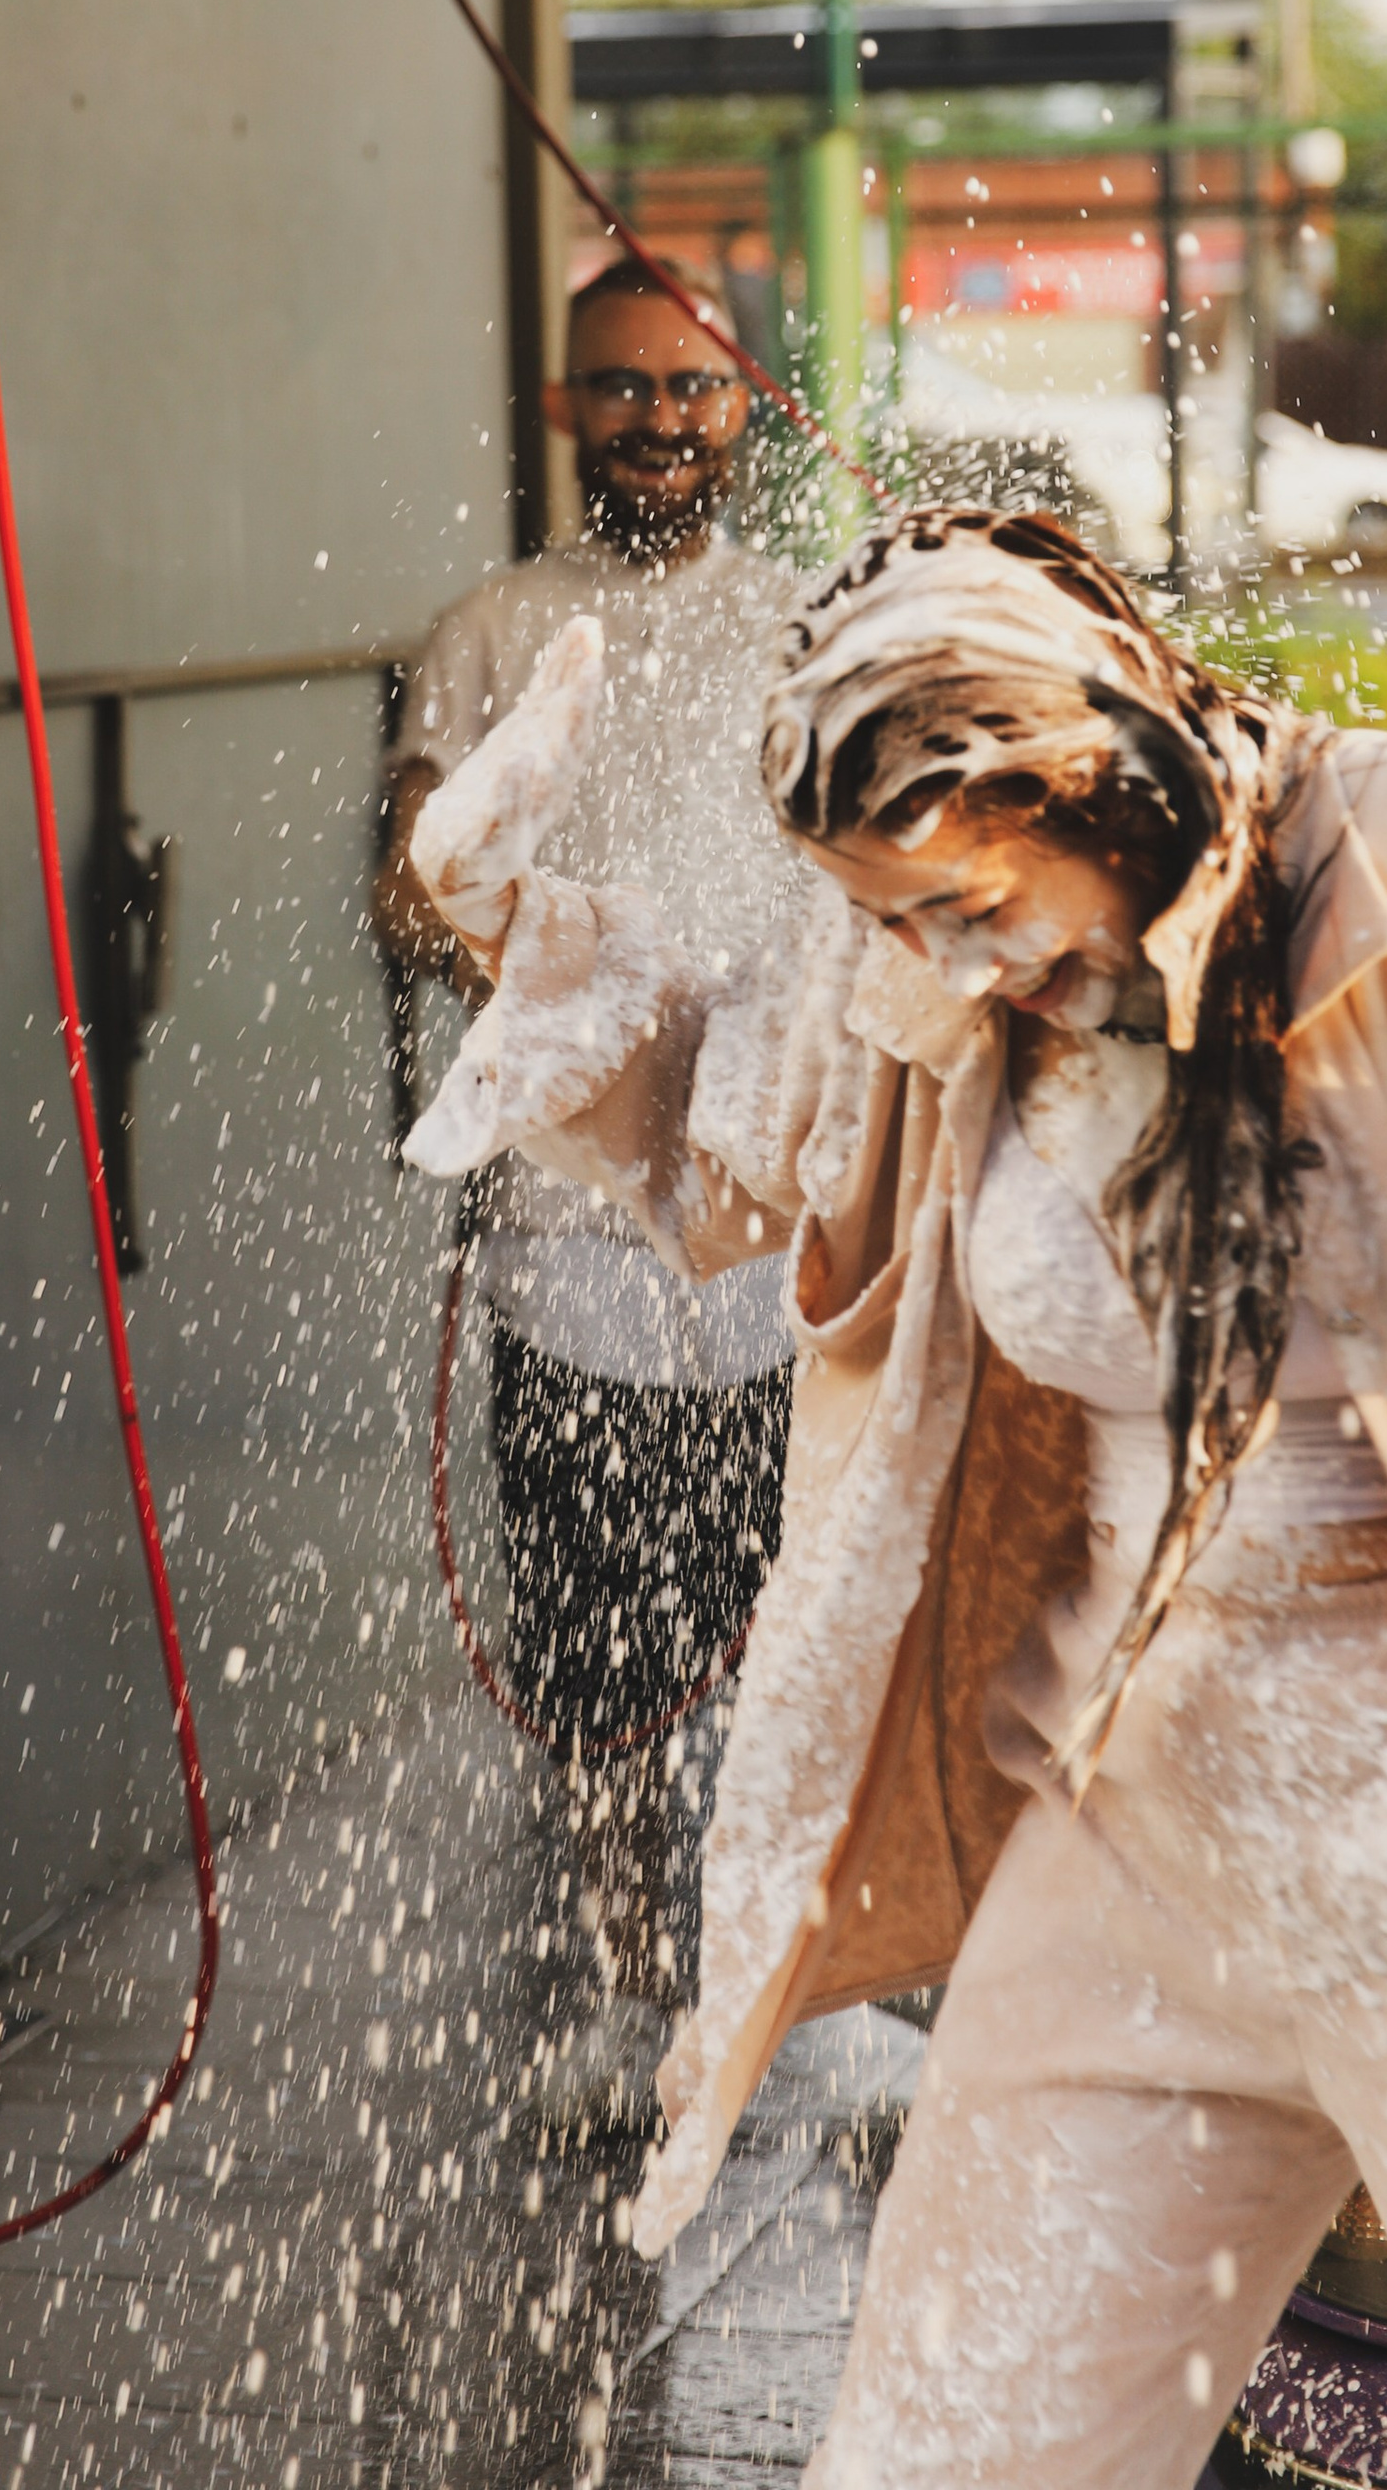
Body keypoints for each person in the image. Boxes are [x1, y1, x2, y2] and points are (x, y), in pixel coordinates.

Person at [399, 503, 1387, 2490]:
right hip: (1140, 1854)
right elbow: (735, 1145)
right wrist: (501, 922)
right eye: (887, 922)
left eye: (969, 908)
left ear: (1100, 771)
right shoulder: (931, 973)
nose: (939, 965)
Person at [373, 252, 800, 2120]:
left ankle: (788, 1981)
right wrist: (563, 991)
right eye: (621, 390)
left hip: (785, 1228)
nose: (658, 421)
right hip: (565, 1241)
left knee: (787, 1623)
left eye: (692, 390)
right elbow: (411, 882)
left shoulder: (809, 624)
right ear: (566, 411)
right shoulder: (490, 628)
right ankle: (627, 1981)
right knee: (600, 1630)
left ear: (745, 406)